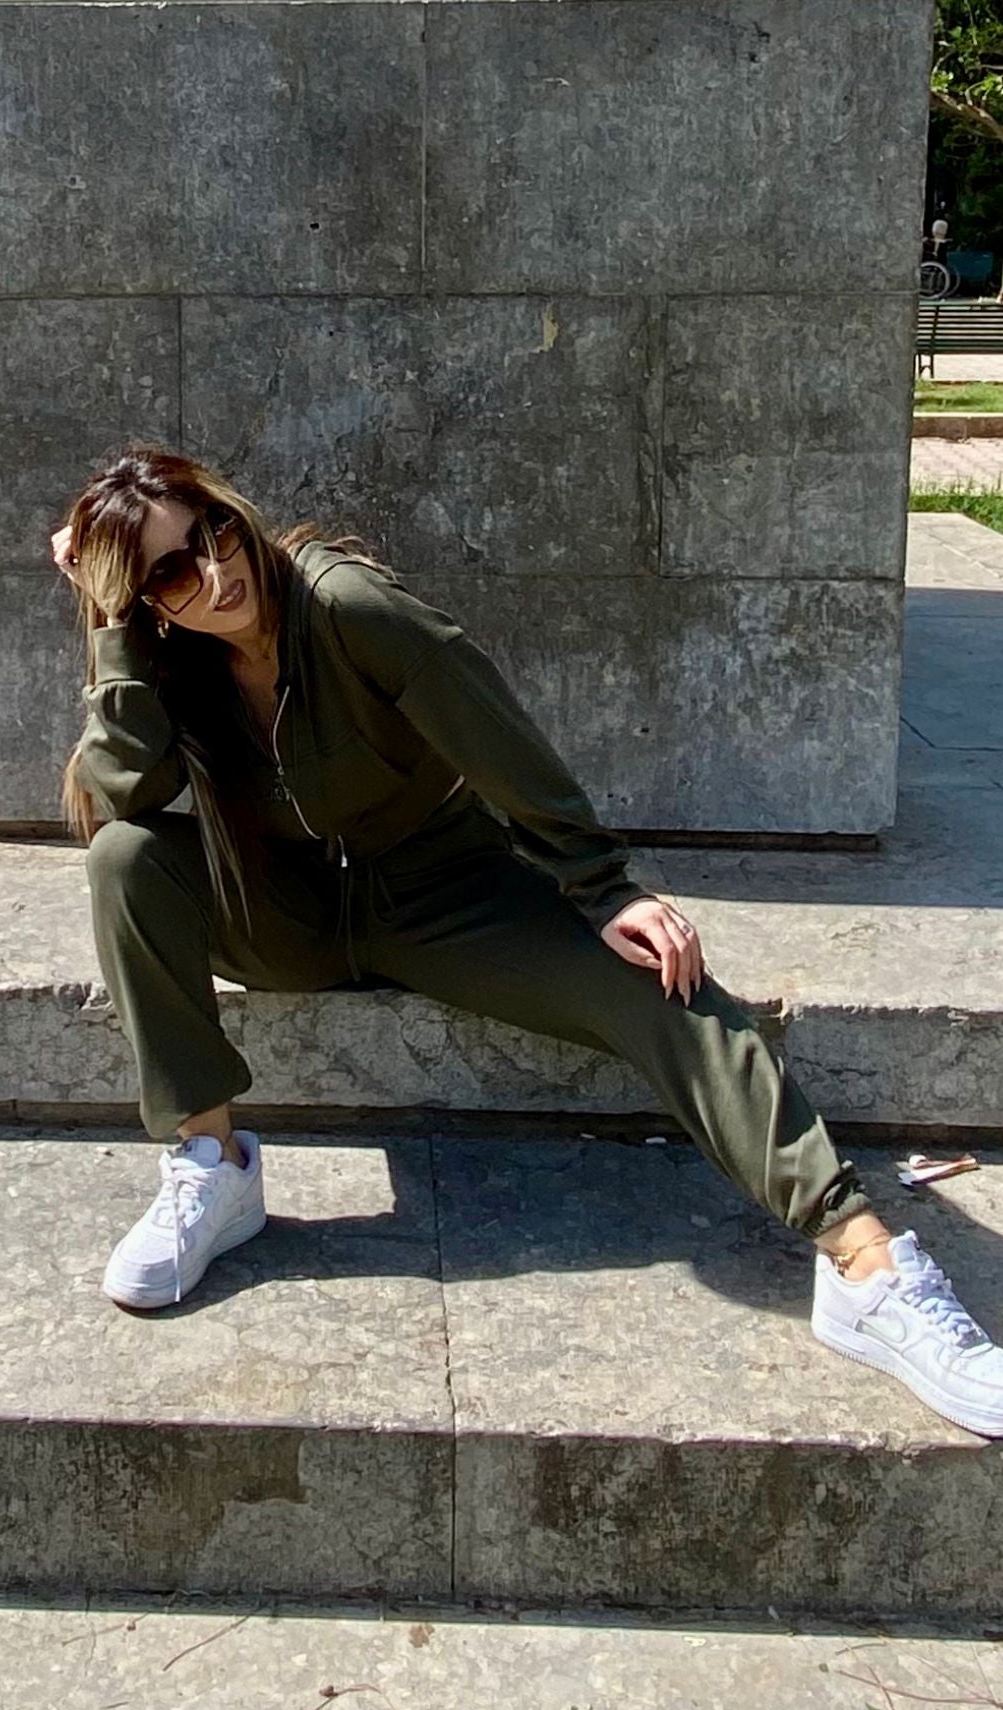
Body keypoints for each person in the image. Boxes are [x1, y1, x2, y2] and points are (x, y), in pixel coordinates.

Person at [52, 442, 1003, 1438]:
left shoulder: (343, 606)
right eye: (172, 571)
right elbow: (122, 792)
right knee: (125, 858)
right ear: (146, 602)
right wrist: (115, 637)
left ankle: (864, 1264)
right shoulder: (162, 658)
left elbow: (500, 742)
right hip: (285, 915)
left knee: (657, 985)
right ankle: (212, 1166)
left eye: (213, 529)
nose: (215, 570)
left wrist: (602, 888)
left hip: (442, 896)